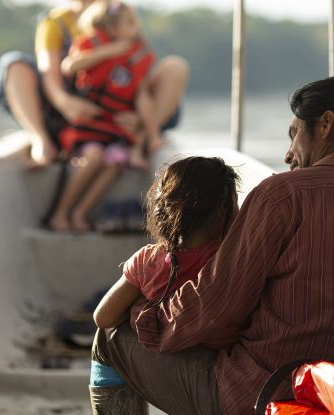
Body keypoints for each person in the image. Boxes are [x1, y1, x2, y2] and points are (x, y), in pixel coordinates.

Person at [92, 77, 334, 415]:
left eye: (294, 135)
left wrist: (146, 314)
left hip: (258, 396)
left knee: (109, 337)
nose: (289, 154)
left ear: (325, 124)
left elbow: (216, 306)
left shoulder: (283, 196)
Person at [0, 0, 189, 168]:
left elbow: (139, 78)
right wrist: (66, 103)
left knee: (176, 67)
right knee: (14, 63)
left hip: (122, 115)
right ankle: (41, 141)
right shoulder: (55, 22)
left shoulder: (123, 18)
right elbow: (50, 74)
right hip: (71, 115)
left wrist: (139, 118)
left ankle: (145, 137)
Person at [88, 156, 240, 414]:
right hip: (226, 367)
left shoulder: (150, 261)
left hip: (197, 375)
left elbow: (103, 317)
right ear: (224, 210)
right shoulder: (231, 258)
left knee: (107, 337)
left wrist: (142, 305)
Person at [46, 0, 154, 232]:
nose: (137, 27)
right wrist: (109, 51)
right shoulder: (91, 45)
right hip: (87, 129)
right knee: (94, 156)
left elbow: (142, 95)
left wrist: (146, 128)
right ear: (111, 28)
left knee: (116, 161)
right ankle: (60, 213)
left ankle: (79, 213)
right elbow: (69, 67)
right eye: (130, 23)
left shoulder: (136, 55)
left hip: (114, 130)